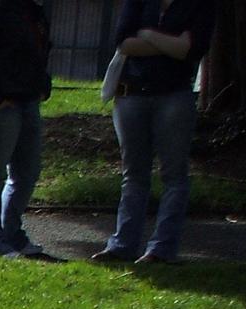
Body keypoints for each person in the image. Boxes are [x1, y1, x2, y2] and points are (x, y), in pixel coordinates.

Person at [91, 0, 218, 266]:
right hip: (132, 95)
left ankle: (162, 249)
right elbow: (124, 42)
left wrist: (147, 35)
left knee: (174, 175)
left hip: (174, 96)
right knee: (133, 174)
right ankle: (122, 245)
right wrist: (169, 44)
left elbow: (191, 49)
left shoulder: (200, 6)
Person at [0, 0, 57, 260]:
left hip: (27, 101)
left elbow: (39, 54)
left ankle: (11, 235)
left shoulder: (34, 11)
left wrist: (42, 87)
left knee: (27, 172)